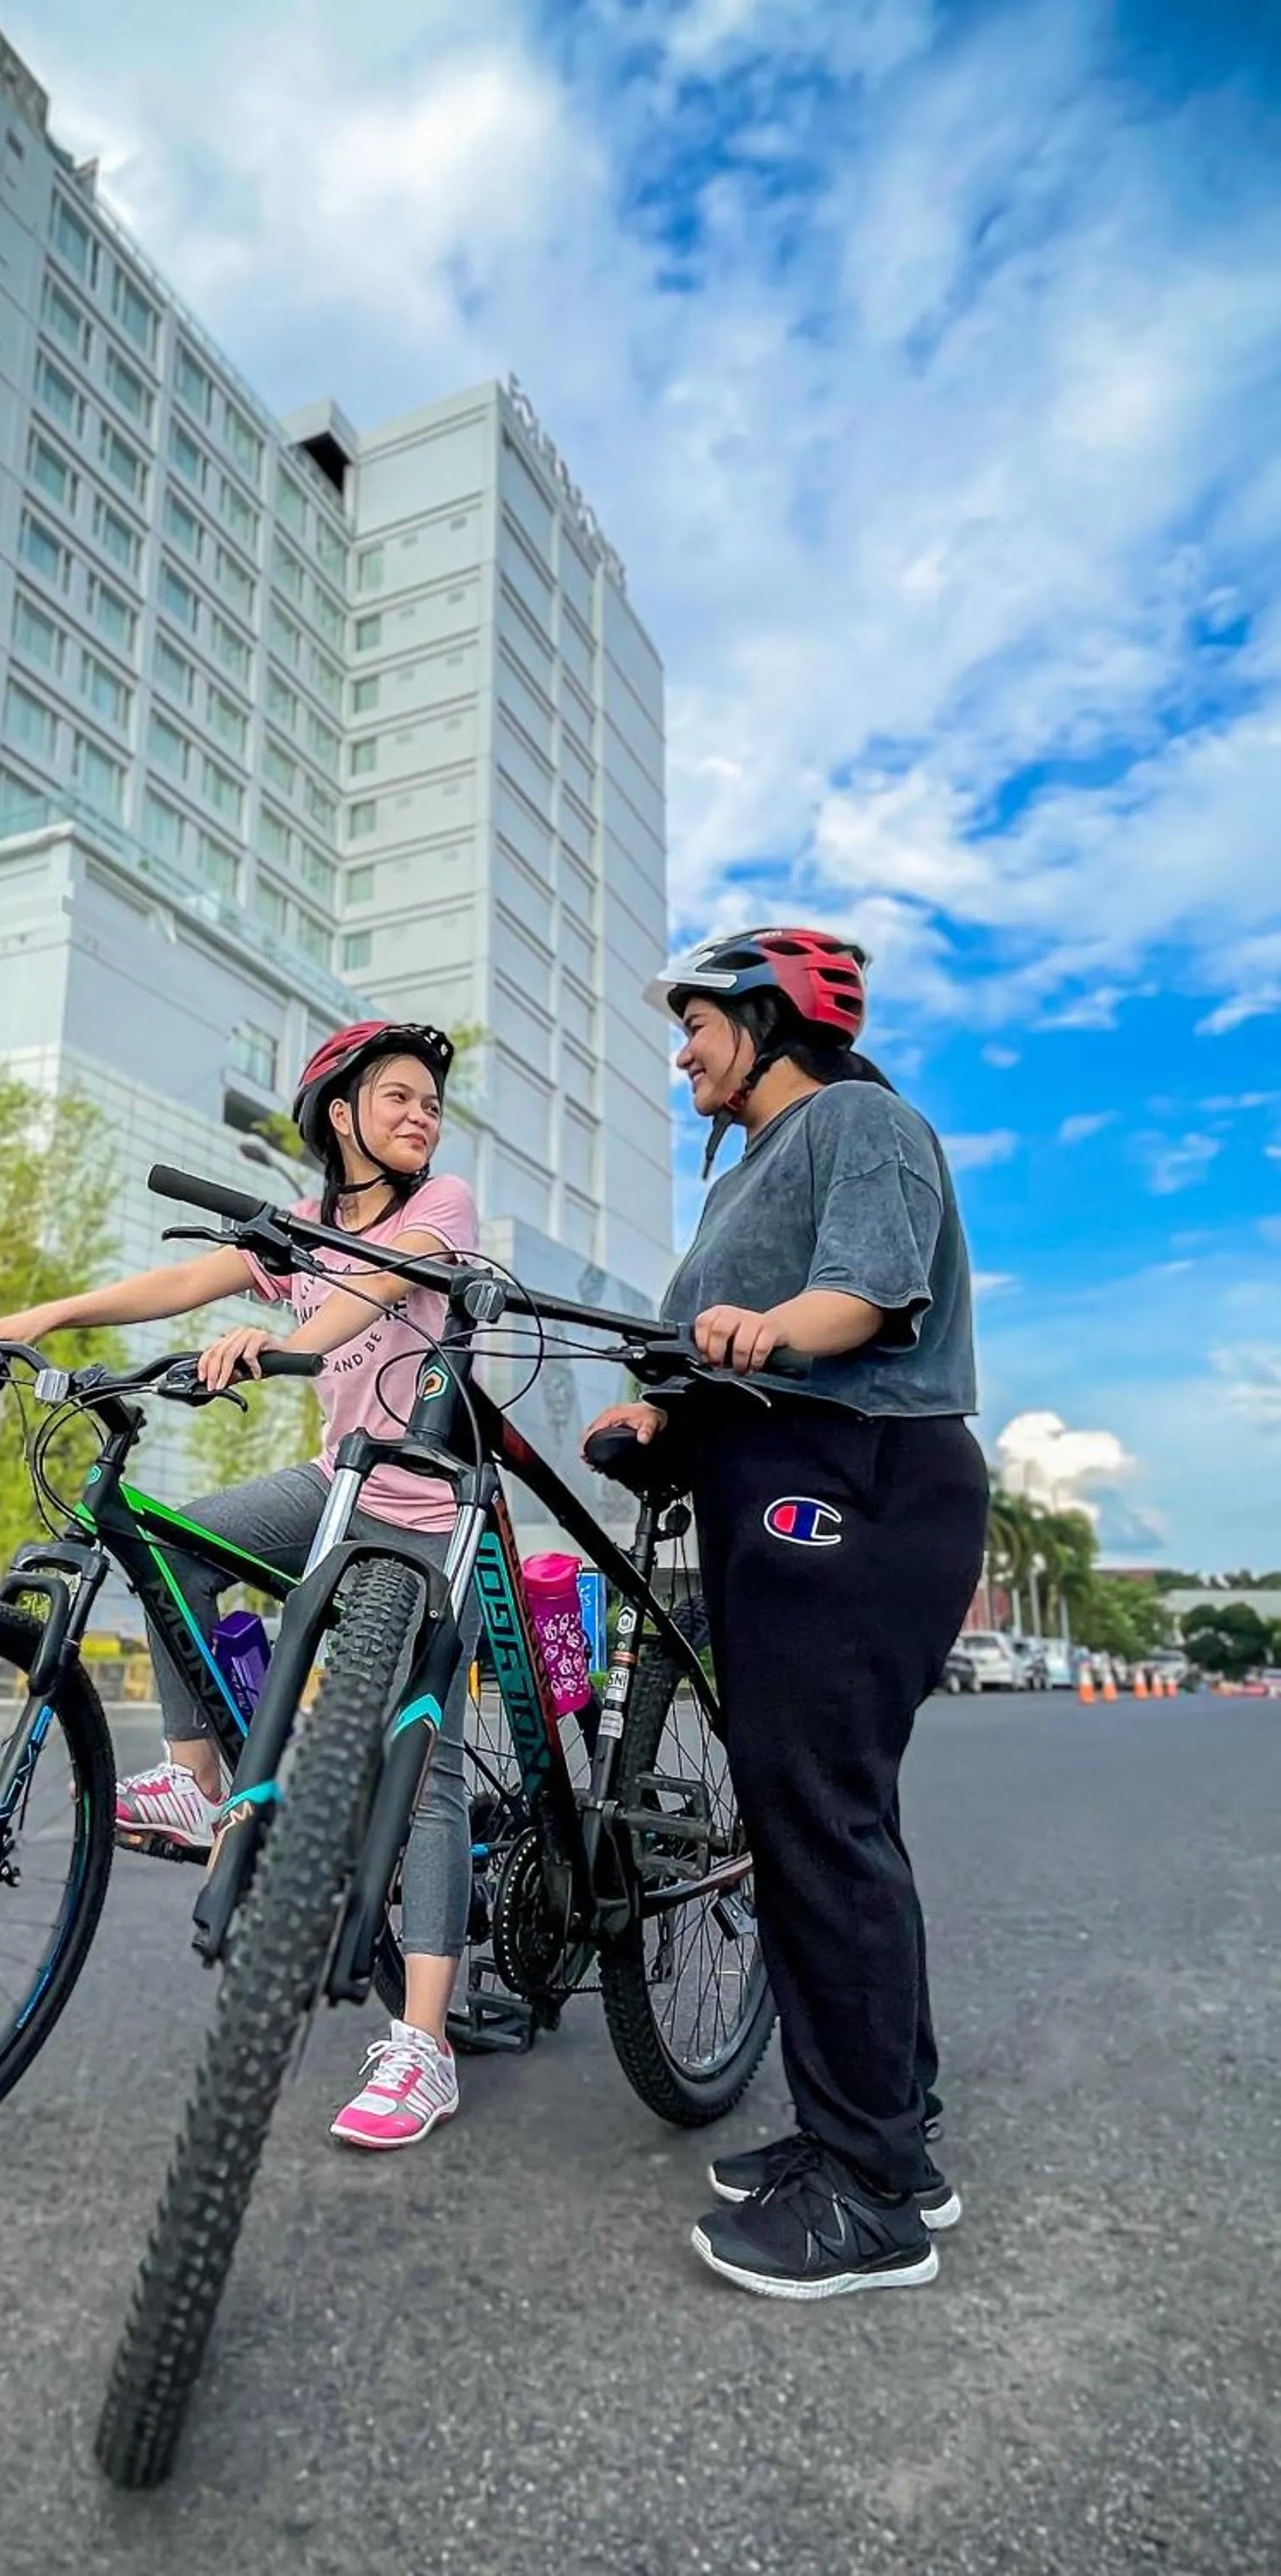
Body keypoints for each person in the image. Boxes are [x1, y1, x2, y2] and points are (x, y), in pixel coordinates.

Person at [0, 1020, 480, 2152]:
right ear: (340, 1115)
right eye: (398, 1096)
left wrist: (279, 1347)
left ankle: (422, 2043)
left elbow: (374, 1293)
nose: (422, 1113)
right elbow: (183, 1278)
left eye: (431, 1099)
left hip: (428, 1509)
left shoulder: (443, 1209)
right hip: (333, 1483)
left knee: (418, 1767)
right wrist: (33, 1318)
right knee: (176, 1546)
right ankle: (194, 1780)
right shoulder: (306, 1228)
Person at [582, 927, 989, 2299]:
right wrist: (658, 1409)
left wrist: (772, 1328)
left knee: (818, 1811)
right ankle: (888, 2135)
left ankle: (870, 2199)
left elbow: (861, 1294)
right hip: (775, 1486)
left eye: (696, 1023)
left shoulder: (857, 1122)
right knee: (812, 1809)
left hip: (858, 1480)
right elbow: (708, 1341)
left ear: (769, 1018)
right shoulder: (747, 1174)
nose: (683, 1051)